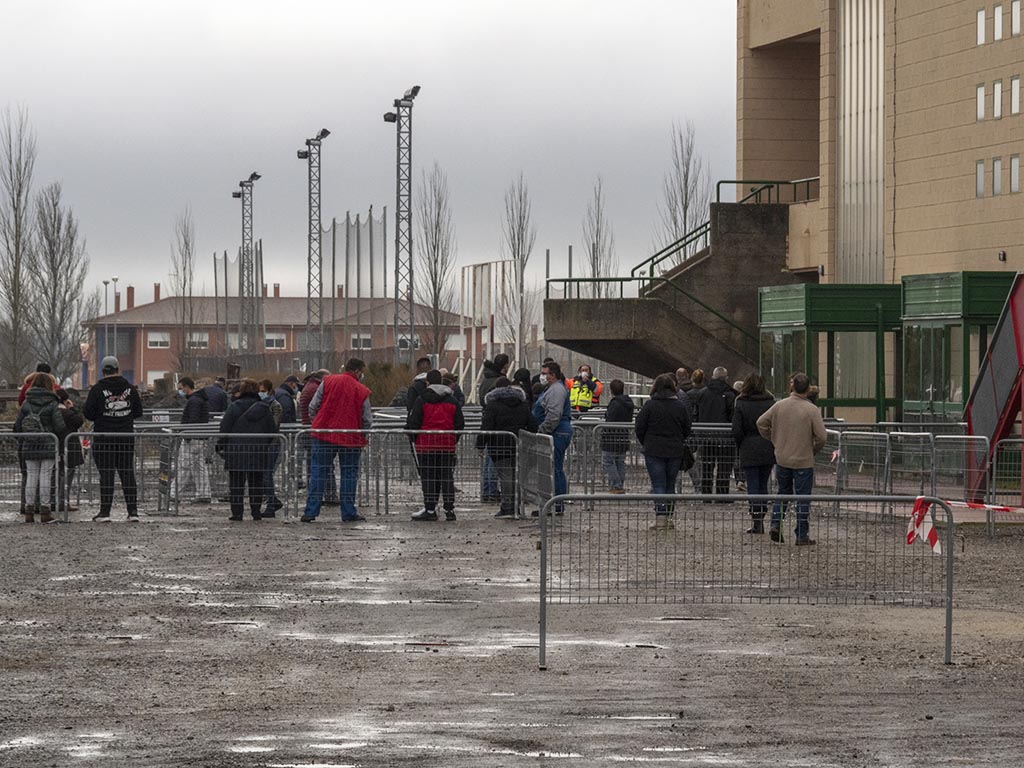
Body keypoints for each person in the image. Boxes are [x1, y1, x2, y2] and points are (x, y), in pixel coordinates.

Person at [757, 372, 827, 546]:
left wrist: (774, 439)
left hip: (782, 458)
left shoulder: (779, 406)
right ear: (808, 388)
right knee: (803, 497)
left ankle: (776, 523)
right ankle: (801, 534)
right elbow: (822, 436)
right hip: (804, 459)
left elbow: (761, 422)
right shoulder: (811, 409)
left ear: (792, 386)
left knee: (783, 493)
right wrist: (812, 449)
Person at [302, 358, 373, 523]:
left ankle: (310, 512)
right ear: (357, 371)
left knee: (318, 472)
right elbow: (367, 418)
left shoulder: (327, 381)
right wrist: (363, 435)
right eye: (362, 372)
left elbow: (313, 406)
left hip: (324, 434)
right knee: (349, 474)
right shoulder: (361, 390)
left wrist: (319, 424)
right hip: (350, 436)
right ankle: (348, 512)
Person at [83, 356, 143, 522]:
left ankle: (105, 512)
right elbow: (138, 412)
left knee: (106, 475)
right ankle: (133, 512)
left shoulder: (97, 389)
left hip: (104, 438)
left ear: (103, 371)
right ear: (118, 369)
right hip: (125, 437)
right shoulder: (131, 389)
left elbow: (88, 413)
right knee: (127, 474)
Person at [634, 373, 692, 528]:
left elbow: (639, 427)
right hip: (674, 450)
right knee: (670, 484)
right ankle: (669, 517)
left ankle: (660, 516)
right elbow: (687, 428)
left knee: (658, 483)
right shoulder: (679, 406)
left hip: (653, 450)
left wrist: (646, 442)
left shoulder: (650, 405)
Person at [217, 378, 278, 522]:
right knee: (256, 483)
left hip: (236, 451)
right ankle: (256, 512)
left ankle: (237, 513)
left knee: (236, 484)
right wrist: (263, 444)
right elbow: (272, 430)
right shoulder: (264, 408)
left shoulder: (234, 406)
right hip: (258, 451)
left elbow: (224, 427)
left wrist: (222, 445)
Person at [407, 369, 465, 521]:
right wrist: (453, 439)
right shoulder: (452, 401)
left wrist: (415, 438)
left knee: (428, 477)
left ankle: (430, 509)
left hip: (425, 445)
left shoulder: (422, 400)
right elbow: (460, 424)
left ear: (427, 382)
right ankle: (449, 510)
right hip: (446, 445)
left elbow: (414, 422)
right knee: (446, 477)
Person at [477, 375, 537, 518]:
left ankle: (507, 507)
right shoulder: (523, 404)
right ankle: (517, 506)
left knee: (505, 476)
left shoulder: (492, 405)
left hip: (498, 446)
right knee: (516, 476)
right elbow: (533, 425)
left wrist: (480, 445)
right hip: (519, 445)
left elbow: (486, 426)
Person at [15, 373, 66, 523]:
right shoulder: (52, 403)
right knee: (45, 475)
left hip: (29, 444)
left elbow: (18, 425)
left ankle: (29, 510)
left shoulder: (26, 403)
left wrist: (24, 437)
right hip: (48, 443)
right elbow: (60, 426)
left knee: (31, 476)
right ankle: (45, 510)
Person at [731, 373, 776, 534]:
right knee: (763, 483)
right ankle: (762, 513)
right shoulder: (771, 402)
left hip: (748, 446)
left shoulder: (741, 403)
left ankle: (756, 517)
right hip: (767, 446)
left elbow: (736, 429)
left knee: (753, 484)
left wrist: (741, 443)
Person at [533, 360, 572, 512]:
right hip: (555, 432)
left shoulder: (556, 390)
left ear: (553, 375)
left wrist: (542, 430)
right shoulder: (551, 389)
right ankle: (553, 503)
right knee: (552, 468)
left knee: (554, 468)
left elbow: (554, 416)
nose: (542, 376)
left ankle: (556, 504)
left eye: (544, 373)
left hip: (556, 433)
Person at [692, 366, 737, 498]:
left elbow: (697, 414)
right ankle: (722, 495)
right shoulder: (730, 395)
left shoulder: (703, 393)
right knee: (724, 467)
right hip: (725, 438)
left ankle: (706, 495)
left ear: (713, 377)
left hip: (706, 436)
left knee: (707, 467)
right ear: (726, 378)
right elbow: (732, 416)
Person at [174, 377, 211, 504]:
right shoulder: (199, 400)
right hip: (199, 438)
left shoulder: (194, 401)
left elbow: (193, 420)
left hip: (192, 438)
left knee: (185, 466)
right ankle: (204, 493)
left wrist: (187, 435)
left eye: (181, 388)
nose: (180, 391)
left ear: (186, 387)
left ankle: (174, 493)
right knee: (199, 467)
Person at [478, 353, 510, 502]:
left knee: (488, 459)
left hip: (488, 420)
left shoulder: (485, 380)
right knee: (493, 460)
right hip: (497, 422)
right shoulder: (498, 382)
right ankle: (491, 490)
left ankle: (487, 490)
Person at [53, 387, 85, 514]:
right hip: (70, 447)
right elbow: (79, 421)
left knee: (55, 474)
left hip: (55, 446)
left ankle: (53, 501)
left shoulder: (52, 412)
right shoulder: (68, 413)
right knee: (67, 474)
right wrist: (72, 408)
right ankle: (63, 501)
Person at [601, 379, 634, 493]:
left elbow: (610, 420)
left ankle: (616, 485)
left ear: (611, 390)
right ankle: (619, 484)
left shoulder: (615, 404)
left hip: (612, 437)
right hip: (623, 436)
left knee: (608, 462)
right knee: (620, 461)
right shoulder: (628, 403)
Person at [258, 378, 285, 517]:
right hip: (265, 444)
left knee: (267, 474)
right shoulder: (260, 404)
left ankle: (272, 503)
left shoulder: (275, 405)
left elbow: (274, 425)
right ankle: (273, 501)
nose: (260, 393)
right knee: (264, 474)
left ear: (269, 391)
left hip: (271, 444)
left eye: (263, 391)